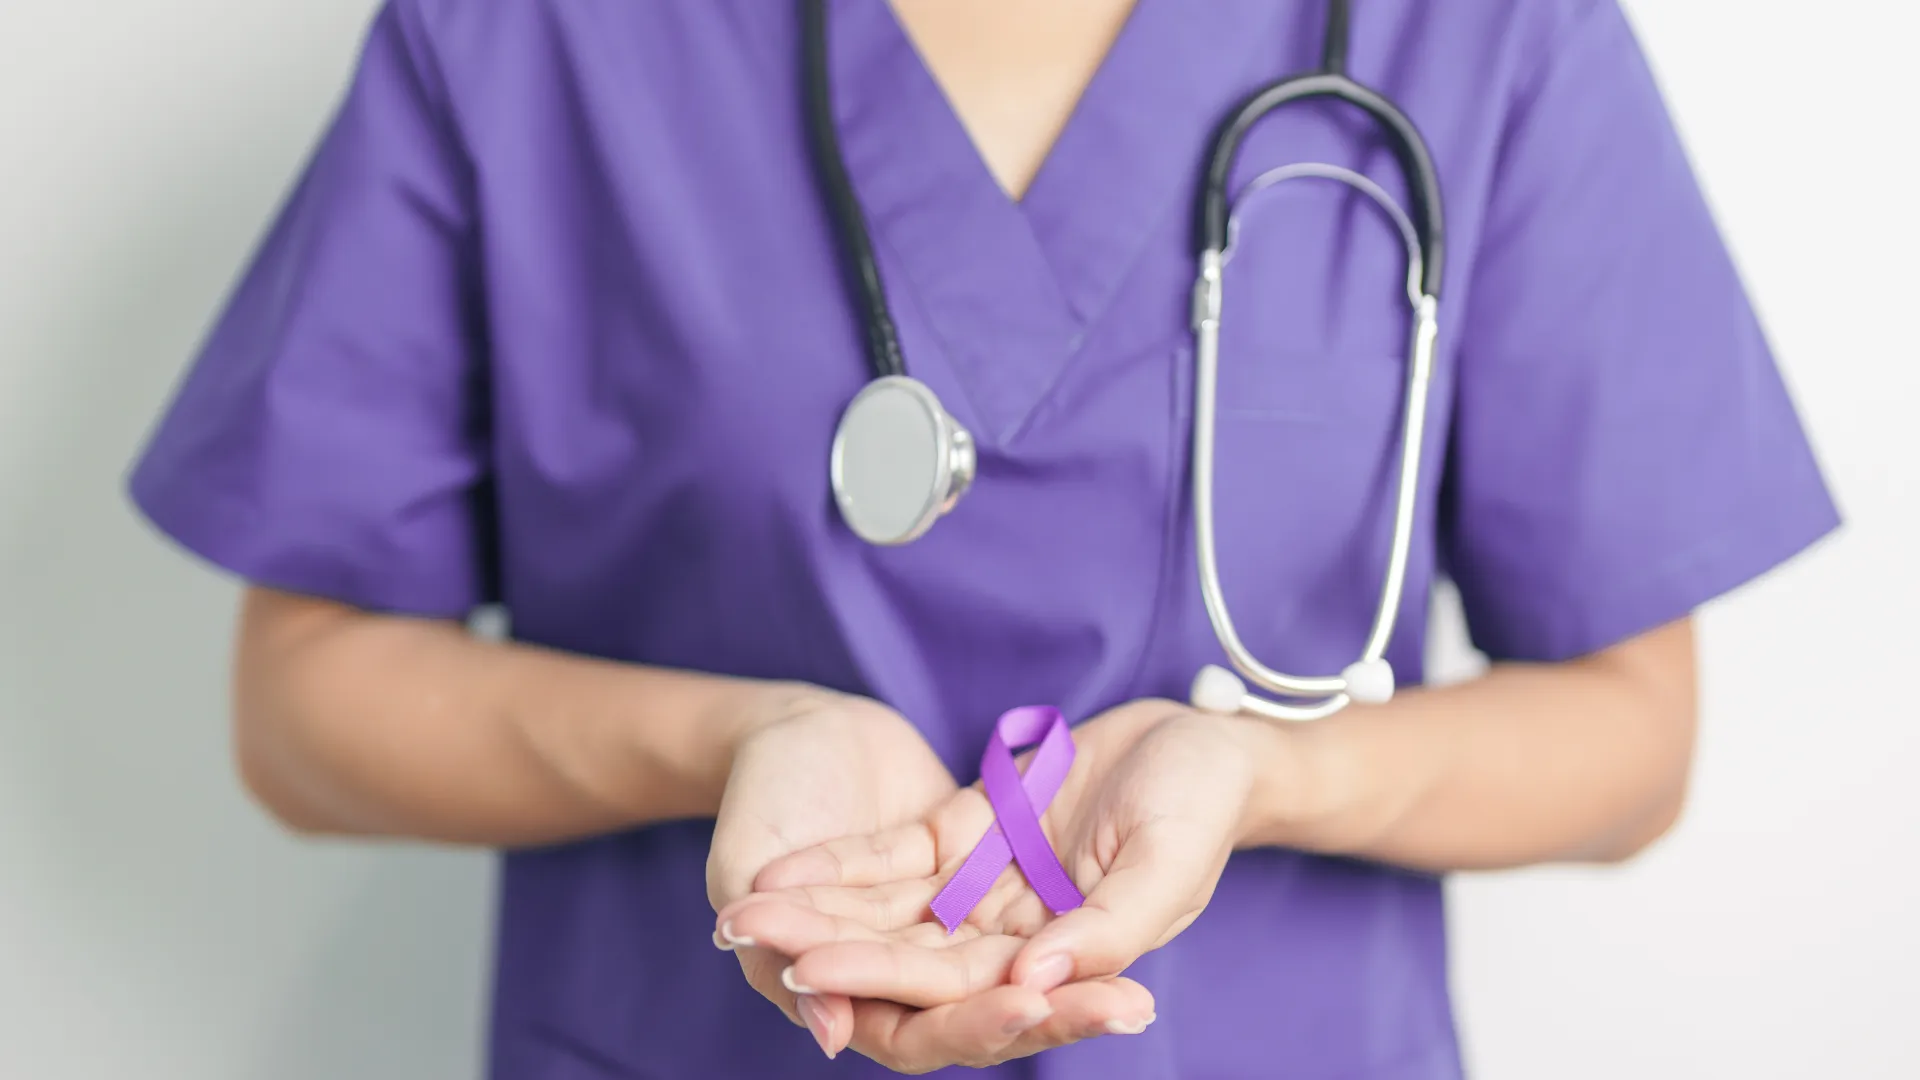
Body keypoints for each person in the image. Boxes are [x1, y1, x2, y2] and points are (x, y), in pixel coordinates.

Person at [126, 0, 1838, 1076]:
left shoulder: (1482, 34)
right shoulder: (529, 36)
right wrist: (735, 737)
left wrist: (1261, 775)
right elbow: (305, 707)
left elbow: (1631, 738)